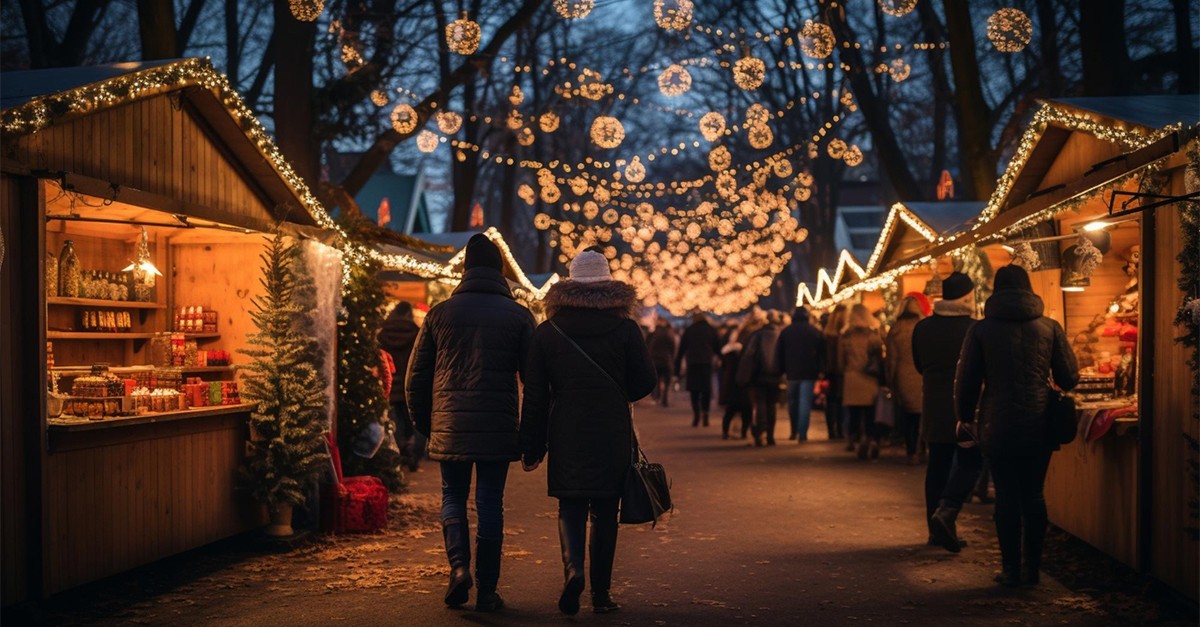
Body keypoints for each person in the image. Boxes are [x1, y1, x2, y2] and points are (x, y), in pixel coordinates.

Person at [519, 250, 657, 615]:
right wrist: (616, 393)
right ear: (610, 285)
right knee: (605, 511)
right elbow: (646, 381)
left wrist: (531, 446)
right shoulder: (626, 329)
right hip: (611, 428)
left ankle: (573, 570)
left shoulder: (548, 332)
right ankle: (601, 594)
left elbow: (534, 394)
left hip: (565, 427)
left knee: (570, 504)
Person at [406, 234, 536, 612]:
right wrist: (530, 436)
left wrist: (428, 425)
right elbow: (535, 381)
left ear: (464, 270)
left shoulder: (440, 314)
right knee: (490, 503)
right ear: (500, 271)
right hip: (498, 426)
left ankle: (459, 568)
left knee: (452, 498)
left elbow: (416, 377)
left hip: (451, 424)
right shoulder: (519, 316)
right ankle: (489, 590)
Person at [955, 265, 1079, 587]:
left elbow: (967, 381)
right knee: (1034, 495)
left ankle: (1010, 570)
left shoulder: (981, 331)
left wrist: (964, 416)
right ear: (1028, 289)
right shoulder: (1050, 327)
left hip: (997, 423)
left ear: (996, 290)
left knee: (1007, 496)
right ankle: (1033, 570)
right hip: (1039, 423)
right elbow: (1069, 377)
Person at [911, 272, 982, 552]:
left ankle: (935, 529)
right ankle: (947, 515)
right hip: (967, 405)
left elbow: (919, 365)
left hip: (934, 405)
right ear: (966, 296)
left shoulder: (923, 328)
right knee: (971, 462)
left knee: (937, 466)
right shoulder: (975, 328)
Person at [379, 301, 421, 471]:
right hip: (410, 384)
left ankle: (400, 453)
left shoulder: (383, 334)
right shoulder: (416, 333)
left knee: (395, 421)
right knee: (413, 421)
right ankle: (413, 455)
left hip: (390, 383)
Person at [885, 293, 927, 464]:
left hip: (903, 374)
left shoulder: (895, 329)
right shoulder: (923, 326)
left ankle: (911, 450)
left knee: (908, 415)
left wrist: (890, 380)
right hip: (922, 375)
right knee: (922, 414)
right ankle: (921, 447)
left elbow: (891, 359)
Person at [838, 304, 883, 460]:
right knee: (870, 412)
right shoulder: (873, 336)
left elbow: (840, 361)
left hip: (852, 377)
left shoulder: (846, 336)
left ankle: (852, 439)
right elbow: (880, 358)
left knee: (853, 413)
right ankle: (868, 439)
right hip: (869, 377)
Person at [776, 307, 825, 442]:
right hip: (809, 371)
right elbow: (822, 353)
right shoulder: (814, 331)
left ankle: (793, 430)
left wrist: (781, 370)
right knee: (804, 403)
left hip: (791, 372)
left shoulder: (786, 332)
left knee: (792, 402)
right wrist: (820, 369)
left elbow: (779, 353)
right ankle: (802, 433)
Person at [738, 310, 783, 446]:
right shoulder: (780, 335)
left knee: (760, 403)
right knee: (772, 405)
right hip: (776, 376)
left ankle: (759, 432)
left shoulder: (757, 335)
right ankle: (770, 435)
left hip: (758, 376)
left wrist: (743, 375)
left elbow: (748, 355)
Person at [676, 312, 721, 427]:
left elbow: (682, 349)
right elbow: (718, 347)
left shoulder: (690, 330)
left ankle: (696, 415)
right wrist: (721, 359)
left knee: (694, 390)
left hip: (693, 363)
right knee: (706, 390)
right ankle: (705, 414)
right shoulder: (711, 330)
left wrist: (677, 368)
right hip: (706, 363)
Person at [719, 315, 759, 440]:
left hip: (732, 382)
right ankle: (742, 432)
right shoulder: (748, 345)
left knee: (731, 410)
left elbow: (724, 362)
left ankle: (726, 432)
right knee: (745, 409)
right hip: (744, 381)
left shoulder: (729, 351)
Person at [822, 304, 848, 442]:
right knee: (840, 402)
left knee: (831, 402)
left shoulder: (827, 335)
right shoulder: (845, 335)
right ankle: (840, 429)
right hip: (842, 373)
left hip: (830, 373)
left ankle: (832, 430)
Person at [646, 320, 676, 407]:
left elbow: (647, 347)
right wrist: (672, 358)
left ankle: (656, 396)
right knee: (667, 381)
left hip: (655, 360)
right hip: (666, 360)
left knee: (656, 380)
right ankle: (664, 398)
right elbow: (672, 348)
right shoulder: (668, 335)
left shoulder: (652, 335)